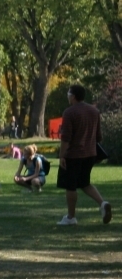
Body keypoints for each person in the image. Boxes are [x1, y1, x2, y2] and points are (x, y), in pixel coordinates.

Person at [57, 84, 110, 226]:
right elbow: (98, 136)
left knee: (71, 185)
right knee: (84, 182)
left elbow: (66, 137)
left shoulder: (69, 112)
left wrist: (62, 155)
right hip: (90, 153)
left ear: (73, 96)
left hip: (74, 154)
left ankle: (71, 217)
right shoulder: (94, 111)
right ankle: (103, 203)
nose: (67, 95)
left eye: (68, 93)